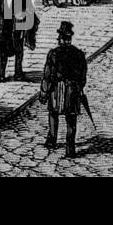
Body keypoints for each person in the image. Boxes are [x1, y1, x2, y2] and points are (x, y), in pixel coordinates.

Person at [41, 21, 87, 158]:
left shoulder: (54, 54)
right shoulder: (79, 54)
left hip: (57, 89)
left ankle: (52, 140)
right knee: (71, 119)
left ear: (60, 38)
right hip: (72, 90)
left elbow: (48, 75)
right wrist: (79, 87)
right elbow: (83, 76)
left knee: (53, 114)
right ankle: (70, 148)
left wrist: (44, 92)